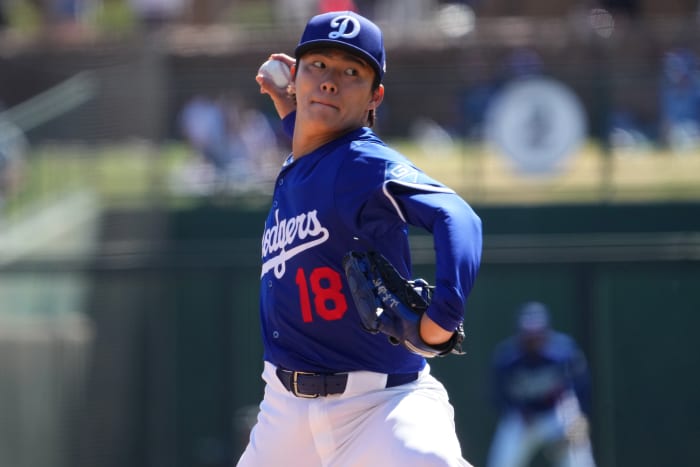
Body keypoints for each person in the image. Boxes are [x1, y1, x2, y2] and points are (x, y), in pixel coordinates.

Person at [237, 10, 482, 467]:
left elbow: (459, 216)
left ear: (375, 96)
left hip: (382, 409)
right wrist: (286, 101)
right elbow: (310, 138)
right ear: (297, 76)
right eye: (319, 66)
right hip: (283, 416)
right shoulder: (306, 156)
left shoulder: (362, 163)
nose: (330, 82)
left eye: (352, 72)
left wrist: (443, 319)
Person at [486, 301, 596, 467]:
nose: (533, 340)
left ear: (546, 332)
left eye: (537, 335)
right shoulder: (508, 359)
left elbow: (581, 387)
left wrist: (580, 415)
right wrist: (513, 409)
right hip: (523, 418)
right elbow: (497, 394)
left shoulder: (564, 353)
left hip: (556, 416)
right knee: (502, 462)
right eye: (529, 336)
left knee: (578, 458)